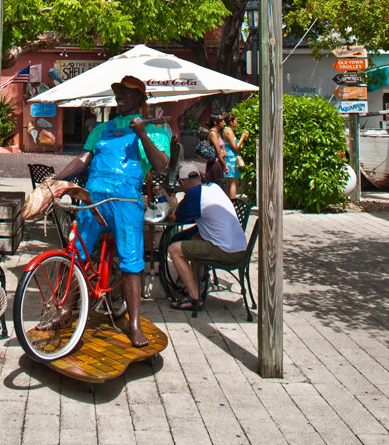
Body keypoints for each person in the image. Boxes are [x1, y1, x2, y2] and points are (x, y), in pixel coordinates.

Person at [53, 75, 170, 347]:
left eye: (127, 93)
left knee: (130, 263)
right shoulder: (100, 129)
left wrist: (142, 134)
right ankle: (65, 311)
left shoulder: (154, 130)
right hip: (93, 199)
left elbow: (162, 164)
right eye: (118, 92)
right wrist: (58, 181)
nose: (120, 96)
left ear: (140, 99)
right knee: (77, 255)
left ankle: (134, 324)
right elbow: (83, 158)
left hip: (126, 201)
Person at [168, 164, 247, 311]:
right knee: (195, 239)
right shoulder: (214, 187)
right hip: (240, 248)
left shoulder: (194, 194)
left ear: (182, 183)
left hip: (226, 251)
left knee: (174, 250)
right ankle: (198, 284)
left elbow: (176, 216)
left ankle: (194, 297)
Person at [222, 113, 248, 199]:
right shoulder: (228, 131)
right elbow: (235, 147)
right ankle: (232, 202)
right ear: (231, 122)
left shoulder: (227, 130)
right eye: (235, 121)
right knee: (233, 182)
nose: (236, 123)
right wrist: (242, 137)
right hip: (231, 158)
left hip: (228, 157)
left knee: (229, 182)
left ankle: (227, 202)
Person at [205, 114, 228, 183]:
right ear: (215, 122)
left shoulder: (217, 133)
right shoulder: (213, 133)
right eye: (221, 120)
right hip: (215, 162)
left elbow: (222, 146)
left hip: (219, 161)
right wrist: (225, 165)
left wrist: (224, 150)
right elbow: (218, 151)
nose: (223, 121)